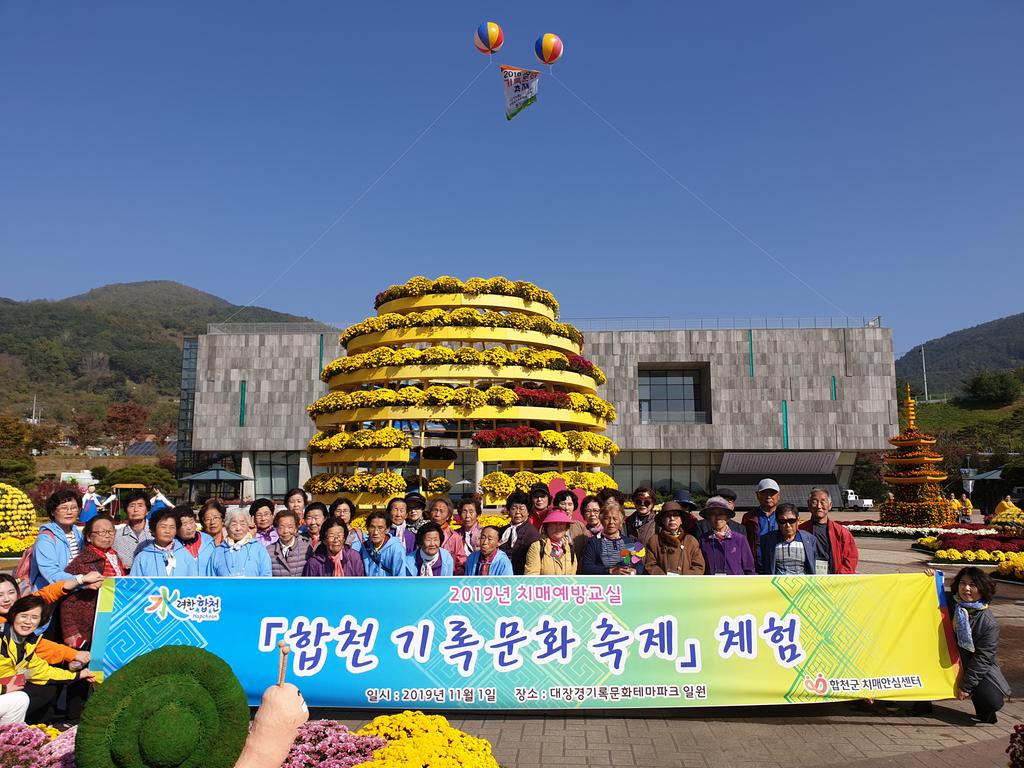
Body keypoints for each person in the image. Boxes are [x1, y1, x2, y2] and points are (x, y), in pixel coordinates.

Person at [0, 596, 96, 724]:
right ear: (14, 616)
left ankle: (28, 733)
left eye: (34, 618)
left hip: (7, 690)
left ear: (41, 621)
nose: (28, 621)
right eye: (23, 616)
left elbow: (43, 671)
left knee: (47, 689)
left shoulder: (28, 644)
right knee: (20, 698)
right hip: (4, 690)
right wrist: (4, 689)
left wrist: (78, 675)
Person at [945, 567, 1012, 723]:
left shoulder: (988, 623)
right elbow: (925, 593)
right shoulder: (949, 602)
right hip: (945, 658)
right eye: (963, 583)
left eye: (973, 585)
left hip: (972, 663)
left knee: (992, 701)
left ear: (982, 589)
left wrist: (966, 687)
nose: (966, 588)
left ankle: (984, 709)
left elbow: (983, 659)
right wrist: (929, 577)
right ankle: (920, 704)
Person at [0, 575, 95, 670]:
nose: (6, 599)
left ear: (18, 593)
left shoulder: (21, 608)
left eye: (11, 592)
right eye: (0, 595)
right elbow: (39, 646)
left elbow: (47, 594)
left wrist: (81, 580)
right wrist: (73, 654)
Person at [61, 514, 124, 650]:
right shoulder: (81, 562)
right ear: (89, 537)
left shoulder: (114, 556)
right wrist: (70, 631)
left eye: (110, 531)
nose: (107, 535)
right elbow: (66, 600)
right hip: (88, 625)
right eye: (101, 532)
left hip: (114, 618)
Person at [30, 490, 85, 590]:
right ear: (52, 511)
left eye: (73, 508)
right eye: (64, 508)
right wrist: (82, 580)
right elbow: (51, 573)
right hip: (52, 594)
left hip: (76, 591)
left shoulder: (78, 534)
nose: (69, 512)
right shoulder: (46, 538)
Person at [799, 488, 858, 574]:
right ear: (809, 504)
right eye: (815, 501)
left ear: (830, 505)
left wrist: (839, 578)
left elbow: (850, 558)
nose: (819, 506)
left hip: (834, 581)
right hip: (809, 580)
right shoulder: (800, 530)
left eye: (823, 501)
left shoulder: (841, 532)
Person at [130, 508, 201, 577]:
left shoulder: (185, 554)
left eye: (172, 527)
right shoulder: (142, 557)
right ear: (153, 529)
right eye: (163, 527)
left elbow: (193, 583)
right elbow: (135, 586)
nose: (168, 531)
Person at [581, 500, 645, 575]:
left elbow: (639, 565)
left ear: (621, 521)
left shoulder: (630, 542)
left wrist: (635, 571)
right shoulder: (594, 542)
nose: (611, 522)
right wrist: (609, 571)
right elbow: (586, 567)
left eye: (615, 519)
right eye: (607, 518)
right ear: (601, 520)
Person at [697, 498, 755, 575]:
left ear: (727, 517)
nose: (717, 518)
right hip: (711, 585)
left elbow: (749, 567)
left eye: (721, 514)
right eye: (713, 514)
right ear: (708, 518)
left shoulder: (740, 539)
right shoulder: (703, 540)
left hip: (735, 585)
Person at [644, 503, 705, 576]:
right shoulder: (654, 541)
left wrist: (683, 579)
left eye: (675, 515)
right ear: (662, 520)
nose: (672, 518)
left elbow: (698, 566)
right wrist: (665, 578)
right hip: (662, 584)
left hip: (686, 584)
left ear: (681, 520)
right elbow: (650, 565)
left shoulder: (691, 540)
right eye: (668, 516)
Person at [211, 507, 273, 577]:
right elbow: (211, 580)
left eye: (243, 524)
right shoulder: (218, 551)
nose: (238, 528)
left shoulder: (259, 548)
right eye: (233, 524)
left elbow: (266, 575)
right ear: (226, 527)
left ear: (248, 526)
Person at [757, 503, 816, 575]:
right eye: (783, 521)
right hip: (776, 584)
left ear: (798, 520)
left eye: (791, 521)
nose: (788, 525)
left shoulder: (810, 539)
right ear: (777, 522)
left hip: (803, 584)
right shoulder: (767, 540)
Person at [355, 510, 409, 576]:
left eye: (380, 528)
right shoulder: (364, 547)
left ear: (387, 529)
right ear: (367, 528)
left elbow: (400, 575)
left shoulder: (396, 548)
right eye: (372, 527)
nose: (375, 532)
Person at [525, 509, 578, 575]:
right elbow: (531, 577)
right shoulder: (537, 547)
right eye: (554, 523)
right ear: (547, 526)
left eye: (561, 524)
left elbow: (573, 578)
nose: (558, 527)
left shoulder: (570, 549)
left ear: (566, 527)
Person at [111, 490, 153, 572]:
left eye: (140, 506)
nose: (136, 509)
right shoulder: (116, 535)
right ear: (126, 510)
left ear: (147, 511)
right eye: (131, 506)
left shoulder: (156, 533)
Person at [499, 491, 540, 575]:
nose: (517, 512)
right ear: (509, 511)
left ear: (528, 512)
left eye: (521, 509)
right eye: (514, 508)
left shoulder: (533, 533)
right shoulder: (502, 531)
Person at [428, 496, 467, 575]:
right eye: (435, 510)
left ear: (448, 516)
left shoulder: (454, 537)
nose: (437, 514)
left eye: (441, 511)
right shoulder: (423, 533)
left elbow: (461, 562)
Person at [741, 478, 781, 554]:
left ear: (778, 496)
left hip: (779, 562)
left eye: (772, 493)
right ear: (757, 495)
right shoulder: (749, 517)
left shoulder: (785, 516)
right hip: (757, 563)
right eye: (764, 493)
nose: (768, 496)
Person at [267, 510, 312, 577]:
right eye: (281, 527)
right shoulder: (268, 551)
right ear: (276, 528)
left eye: (290, 527)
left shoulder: (306, 548)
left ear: (296, 528)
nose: (285, 531)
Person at [177, 506, 217, 574]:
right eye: (184, 524)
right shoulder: (172, 546)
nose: (189, 527)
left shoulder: (209, 542)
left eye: (191, 522)